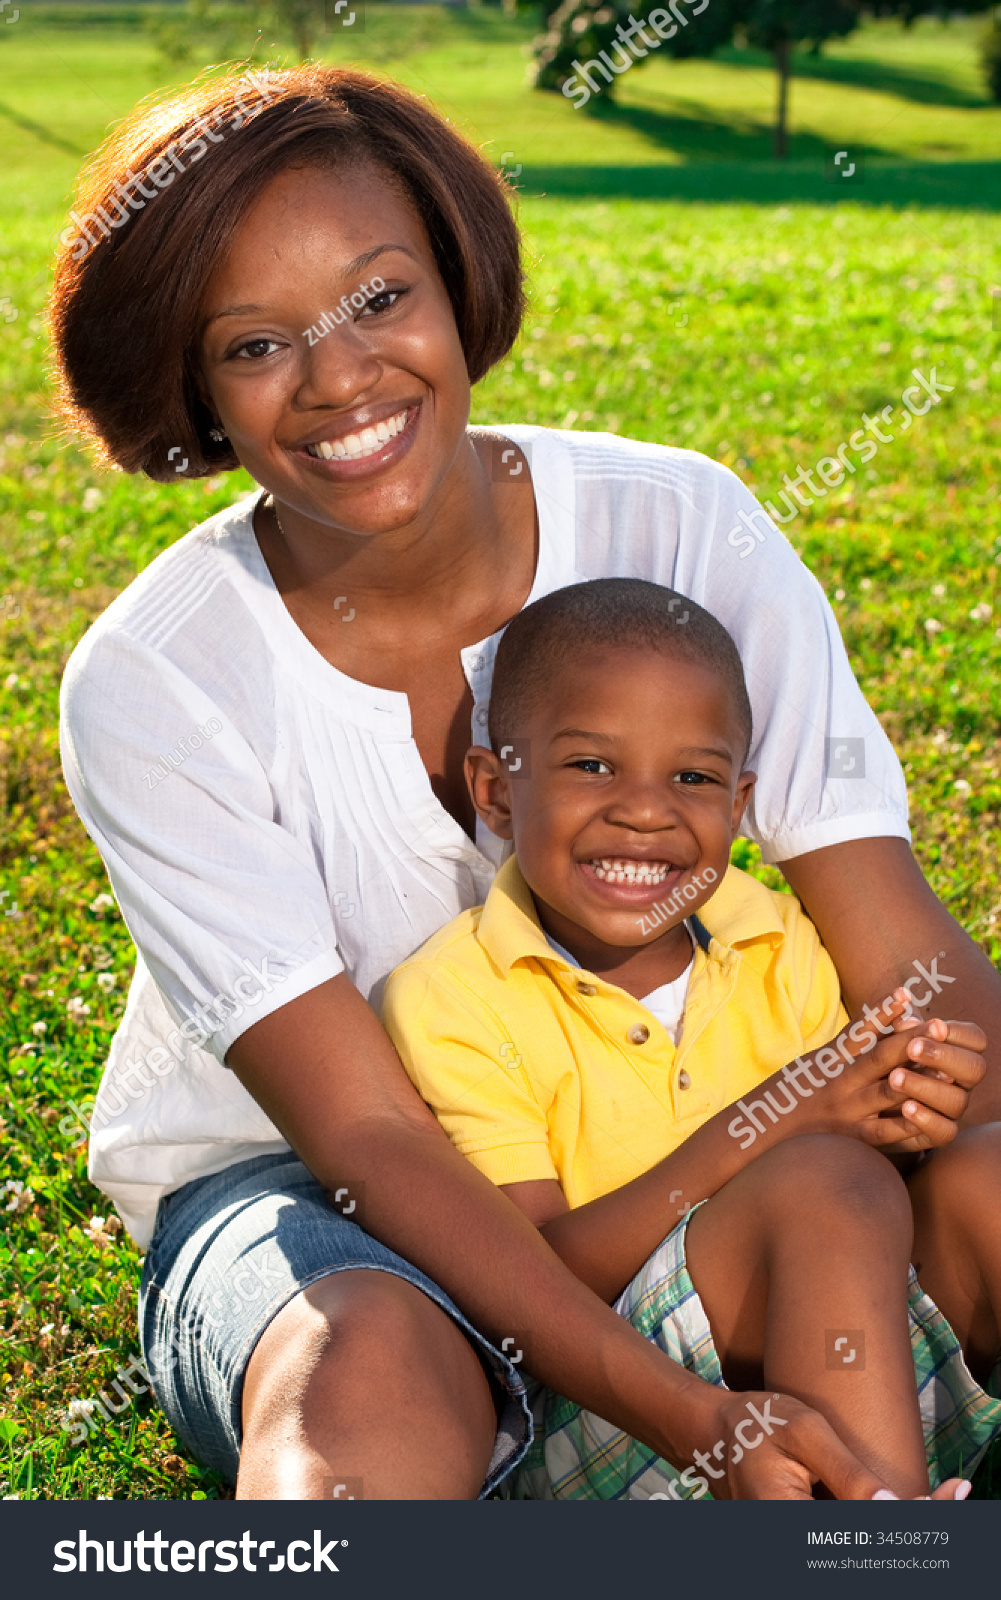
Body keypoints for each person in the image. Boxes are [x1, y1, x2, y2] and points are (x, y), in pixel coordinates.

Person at [52, 62, 1001, 1501]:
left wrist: (945, 1093)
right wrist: (696, 1419)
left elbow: (898, 940)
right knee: (358, 1377)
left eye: (380, 298)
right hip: (326, 1197)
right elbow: (368, 1138)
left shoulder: (682, 524)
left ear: (455, 281)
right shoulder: (159, 679)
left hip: (703, 1153)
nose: (341, 381)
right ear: (192, 388)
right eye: (256, 345)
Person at [383, 579, 1001, 1500]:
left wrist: (903, 1097)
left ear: (738, 797)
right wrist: (781, 1118)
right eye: (591, 766)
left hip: (853, 1366)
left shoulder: (770, 939)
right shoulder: (456, 996)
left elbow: (874, 1185)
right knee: (816, 1179)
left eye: (694, 777)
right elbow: (537, 1279)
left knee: (982, 1168)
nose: (645, 810)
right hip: (629, 1423)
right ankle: (883, 1549)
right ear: (495, 789)